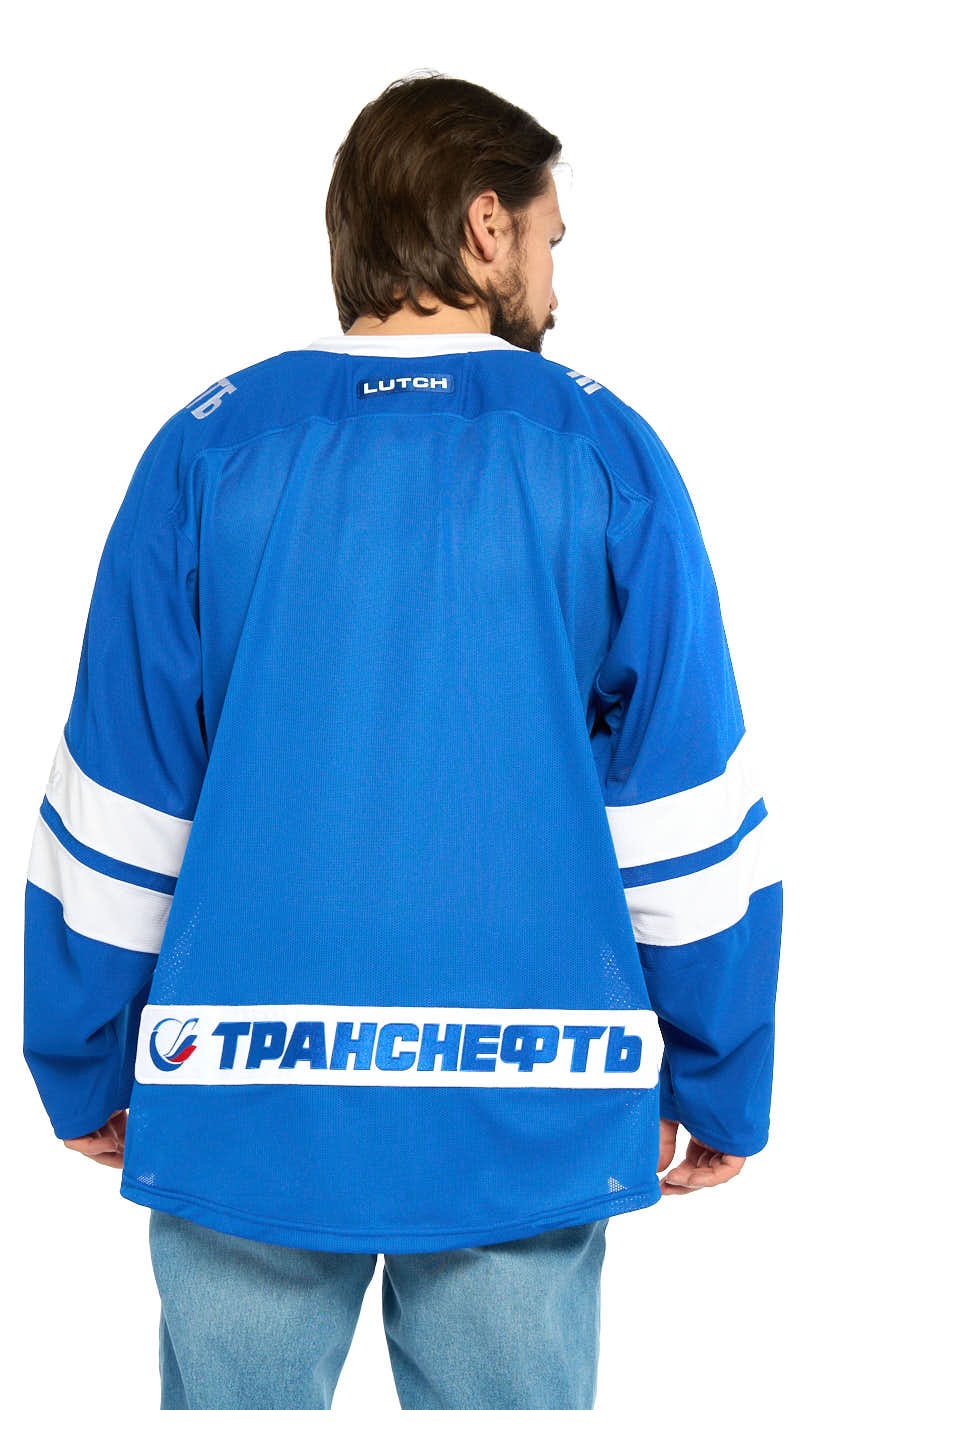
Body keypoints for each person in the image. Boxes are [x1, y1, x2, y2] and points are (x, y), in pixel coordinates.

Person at [23, 72, 783, 1410]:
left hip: (243, 1091)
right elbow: (680, 810)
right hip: (530, 1097)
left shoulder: (207, 449)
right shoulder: (605, 452)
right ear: (486, 225)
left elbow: (123, 795)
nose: (556, 279)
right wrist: (720, 1074)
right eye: (550, 238)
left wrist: (82, 1057)